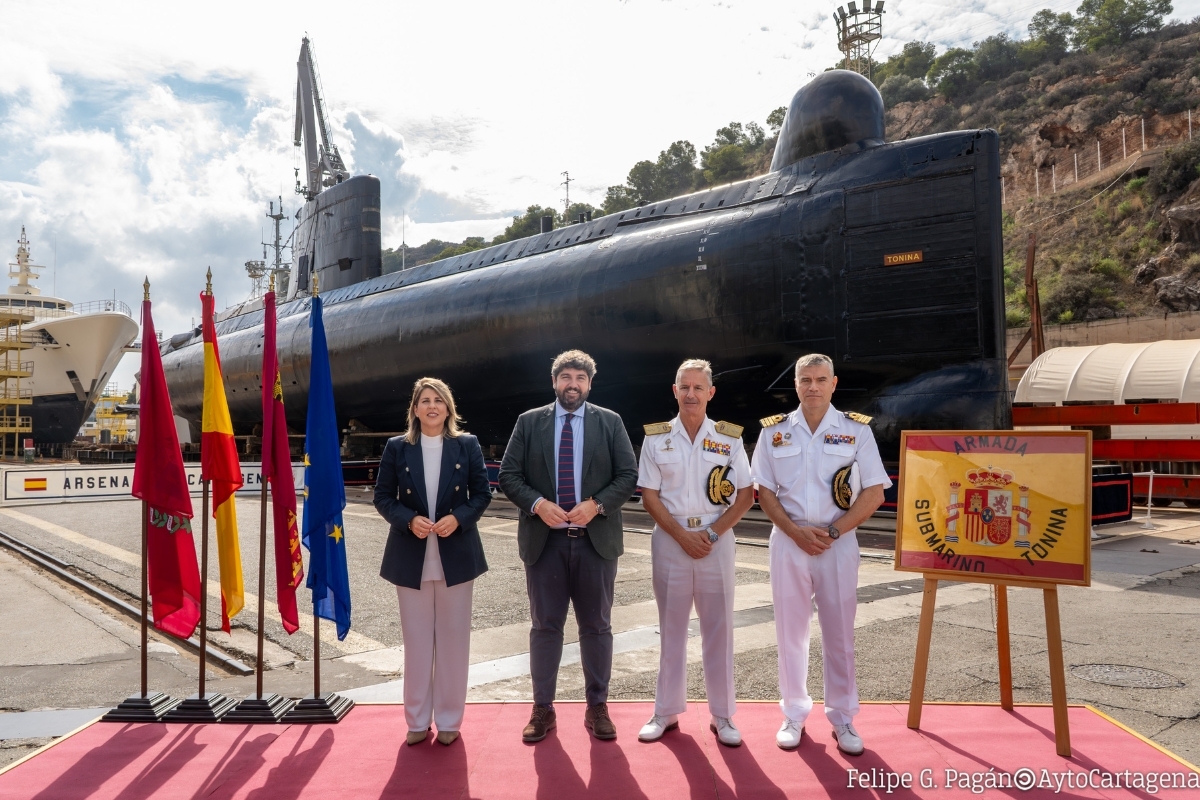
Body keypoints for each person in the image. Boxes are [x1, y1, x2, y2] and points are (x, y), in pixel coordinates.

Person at [750, 353, 890, 755]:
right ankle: (793, 713)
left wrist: (832, 531)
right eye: (805, 379)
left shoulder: (856, 431)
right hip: (788, 542)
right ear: (795, 384)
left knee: (839, 633)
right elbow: (766, 493)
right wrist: (795, 532)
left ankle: (843, 717)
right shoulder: (774, 432)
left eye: (820, 379)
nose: (813, 386)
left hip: (836, 543)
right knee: (789, 632)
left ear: (834, 383)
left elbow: (874, 492)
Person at [498, 350, 638, 743]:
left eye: (579, 378)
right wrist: (538, 505)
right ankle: (543, 708)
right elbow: (509, 475)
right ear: (554, 382)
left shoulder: (610, 422)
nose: (572, 384)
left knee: (597, 627)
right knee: (545, 627)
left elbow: (628, 475)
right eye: (565, 377)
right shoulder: (529, 423)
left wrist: (597, 505)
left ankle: (597, 707)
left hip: (595, 543)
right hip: (546, 544)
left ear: (589, 384)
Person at [635, 359, 754, 748]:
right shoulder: (655, 438)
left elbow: (745, 495)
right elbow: (649, 496)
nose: (690, 394)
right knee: (671, 626)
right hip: (670, 539)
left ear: (710, 393)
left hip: (715, 541)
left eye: (698, 387)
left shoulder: (729, 438)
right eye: (684, 387)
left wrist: (713, 533)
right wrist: (682, 536)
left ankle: (722, 715)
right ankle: (666, 711)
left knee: (718, 629)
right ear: (675, 391)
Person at [374, 377, 491, 747]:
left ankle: (451, 719)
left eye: (438, 400)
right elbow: (382, 497)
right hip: (411, 555)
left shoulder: (466, 444)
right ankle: (417, 720)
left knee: (455, 642)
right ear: (415, 409)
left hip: (456, 555)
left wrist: (459, 517)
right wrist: (408, 519)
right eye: (425, 400)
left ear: (448, 408)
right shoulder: (397, 447)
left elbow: (482, 494)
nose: (432, 406)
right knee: (418, 642)